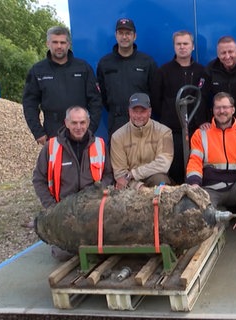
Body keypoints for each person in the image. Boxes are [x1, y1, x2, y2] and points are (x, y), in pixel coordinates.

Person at [32, 105, 113, 260]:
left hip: (93, 209)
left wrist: (100, 192)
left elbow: (109, 175)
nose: (78, 127)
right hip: (64, 210)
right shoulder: (51, 147)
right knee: (63, 254)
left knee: (107, 247)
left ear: (88, 123)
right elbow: (38, 179)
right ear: (66, 123)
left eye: (82, 122)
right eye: (74, 123)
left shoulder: (100, 145)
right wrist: (51, 207)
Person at [186, 92, 236, 238]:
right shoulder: (201, 134)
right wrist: (194, 185)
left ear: (233, 110)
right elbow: (194, 161)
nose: (222, 111)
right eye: (218, 108)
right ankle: (218, 214)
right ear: (213, 110)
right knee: (203, 219)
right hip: (211, 190)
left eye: (225, 107)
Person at [23, 26, 102, 145]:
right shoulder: (38, 71)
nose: (59, 46)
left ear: (68, 44)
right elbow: (29, 104)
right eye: (55, 42)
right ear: (48, 43)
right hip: (52, 132)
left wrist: (90, 129)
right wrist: (38, 132)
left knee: (81, 164)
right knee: (55, 164)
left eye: (62, 42)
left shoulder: (83, 68)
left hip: (80, 131)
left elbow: (96, 101)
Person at [151, 30, 208, 184]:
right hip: (171, 131)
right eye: (178, 44)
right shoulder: (163, 71)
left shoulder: (201, 71)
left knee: (195, 167)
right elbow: (156, 100)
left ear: (193, 46)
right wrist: (168, 116)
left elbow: (204, 98)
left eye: (186, 43)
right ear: (174, 46)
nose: (182, 47)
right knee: (175, 168)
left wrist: (200, 120)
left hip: (195, 131)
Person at [97, 18, 157, 138]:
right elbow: (102, 94)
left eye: (128, 33)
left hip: (142, 119)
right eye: (121, 33)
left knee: (144, 155)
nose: (124, 37)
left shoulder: (147, 62)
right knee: (117, 156)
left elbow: (155, 92)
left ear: (135, 36)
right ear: (116, 35)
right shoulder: (105, 63)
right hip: (116, 120)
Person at [110, 93, 174, 189]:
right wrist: (139, 187)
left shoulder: (164, 132)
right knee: (120, 187)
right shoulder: (117, 137)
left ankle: (158, 202)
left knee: (161, 181)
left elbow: (163, 164)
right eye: (135, 111)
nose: (138, 116)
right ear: (129, 111)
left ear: (150, 112)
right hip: (131, 184)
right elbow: (120, 175)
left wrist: (133, 174)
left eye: (142, 111)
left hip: (155, 181)